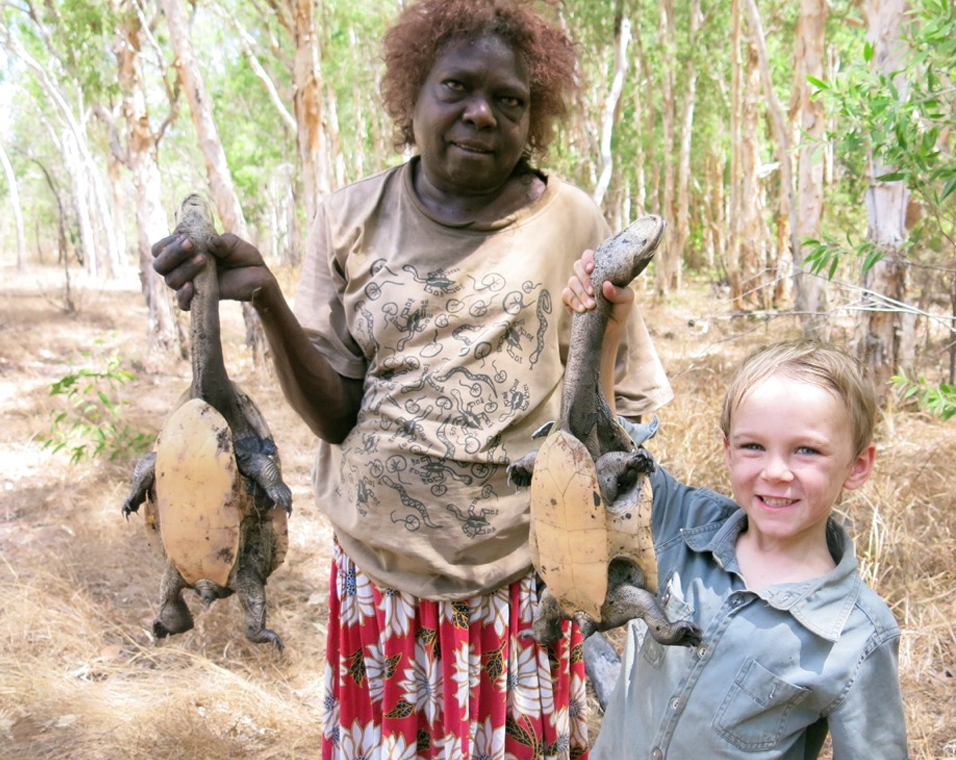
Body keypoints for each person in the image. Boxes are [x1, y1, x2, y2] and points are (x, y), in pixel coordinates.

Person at [151, 2, 672, 758]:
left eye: (510, 101)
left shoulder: (572, 222)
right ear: (411, 97)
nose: (481, 114)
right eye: (456, 87)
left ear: (537, 120)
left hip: (518, 581)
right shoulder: (353, 216)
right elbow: (335, 415)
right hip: (380, 578)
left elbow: (609, 406)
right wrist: (264, 292)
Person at [563, 260, 907, 759]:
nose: (776, 472)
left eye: (806, 451)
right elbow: (599, 454)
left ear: (857, 467)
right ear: (726, 451)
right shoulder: (683, 522)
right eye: (753, 447)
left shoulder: (856, 635)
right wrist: (606, 335)